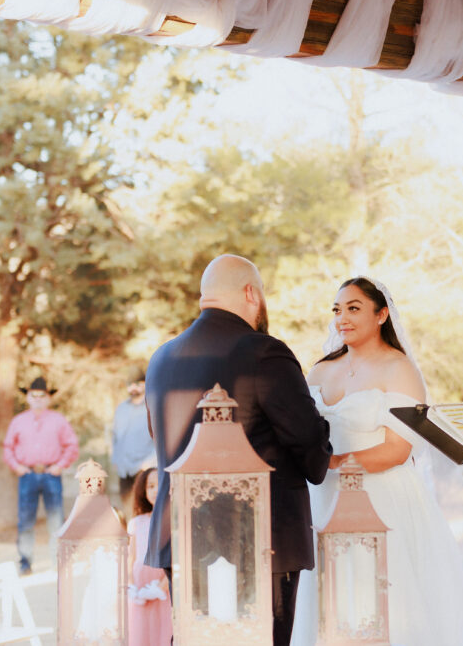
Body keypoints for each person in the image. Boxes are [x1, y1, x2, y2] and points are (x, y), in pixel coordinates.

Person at [291, 277, 463, 646]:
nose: (342, 318)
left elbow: (397, 449)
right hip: (325, 500)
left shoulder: (399, 369)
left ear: (381, 314)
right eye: (337, 310)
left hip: (382, 499)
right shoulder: (321, 370)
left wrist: (335, 462)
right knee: (330, 600)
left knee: (389, 603)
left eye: (354, 308)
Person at [144, 254, 332, 646]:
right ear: (251, 293)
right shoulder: (265, 352)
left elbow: (158, 438)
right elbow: (310, 445)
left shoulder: (160, 359)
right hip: (259, 543)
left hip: (180, 538)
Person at [2, 376, 80, 575]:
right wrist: (17, 466)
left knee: (55, 519)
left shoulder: (58, 420)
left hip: (50, 473)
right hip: (27, 474)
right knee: (26, 519)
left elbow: (71, 445)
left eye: (41, 396)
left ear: (48, 398)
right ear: (27, 397)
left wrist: (60, 465)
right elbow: (8, 447)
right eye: (33, 395)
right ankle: (25, 561)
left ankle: (58, 561)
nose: (37, 399)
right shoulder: (18, 421)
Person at [126, 468, 171, 646]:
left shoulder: (172, 520)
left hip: (163, 589)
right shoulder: (137, 522)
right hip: (140, 588)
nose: (155, 490)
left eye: (159, 485)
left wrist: (161, 588)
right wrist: (130, 586)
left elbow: (176, 560)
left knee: (164, 631)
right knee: (142, 633)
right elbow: (131, 558)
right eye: (150, 486)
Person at [110, 371, 155, 513]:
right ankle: (132, 534)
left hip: (144, 468)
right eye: (130, 384)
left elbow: (159, 438)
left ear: (145, 385)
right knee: (128, 508)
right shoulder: (121, 408)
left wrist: (150, 462)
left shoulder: (152, 407)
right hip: (124, 470)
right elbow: (116, 436)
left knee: (145, 509)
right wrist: (116, 460)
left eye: (137, 384)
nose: (133, 388)